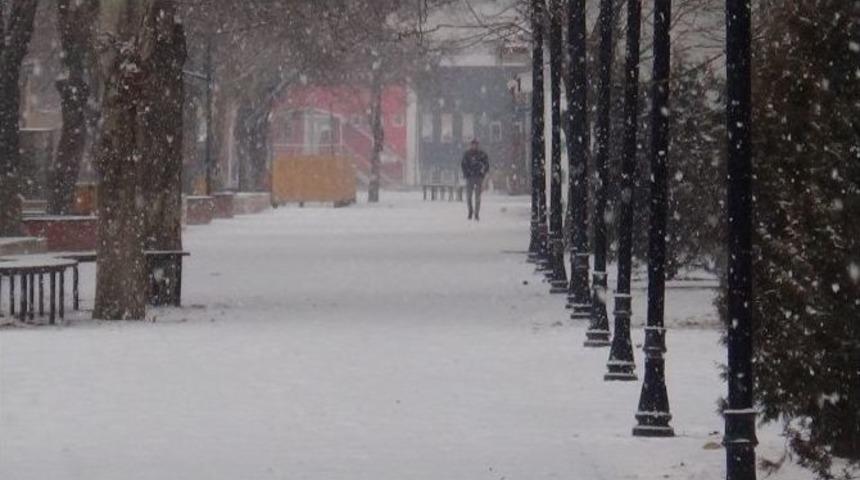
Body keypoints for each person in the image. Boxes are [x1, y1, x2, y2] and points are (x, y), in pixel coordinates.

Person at [461, 139, 490, 221]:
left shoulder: (482, 155)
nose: (474, 146)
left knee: (478, 197)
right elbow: (463, 165)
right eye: (473, 145)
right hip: (469, 177)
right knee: (469, 196)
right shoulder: (467, 154)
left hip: (478, 178)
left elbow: (486, 165)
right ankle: (470, 211)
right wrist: (466, 174)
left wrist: (483, 173)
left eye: (476, 145)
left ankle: (476, 213)